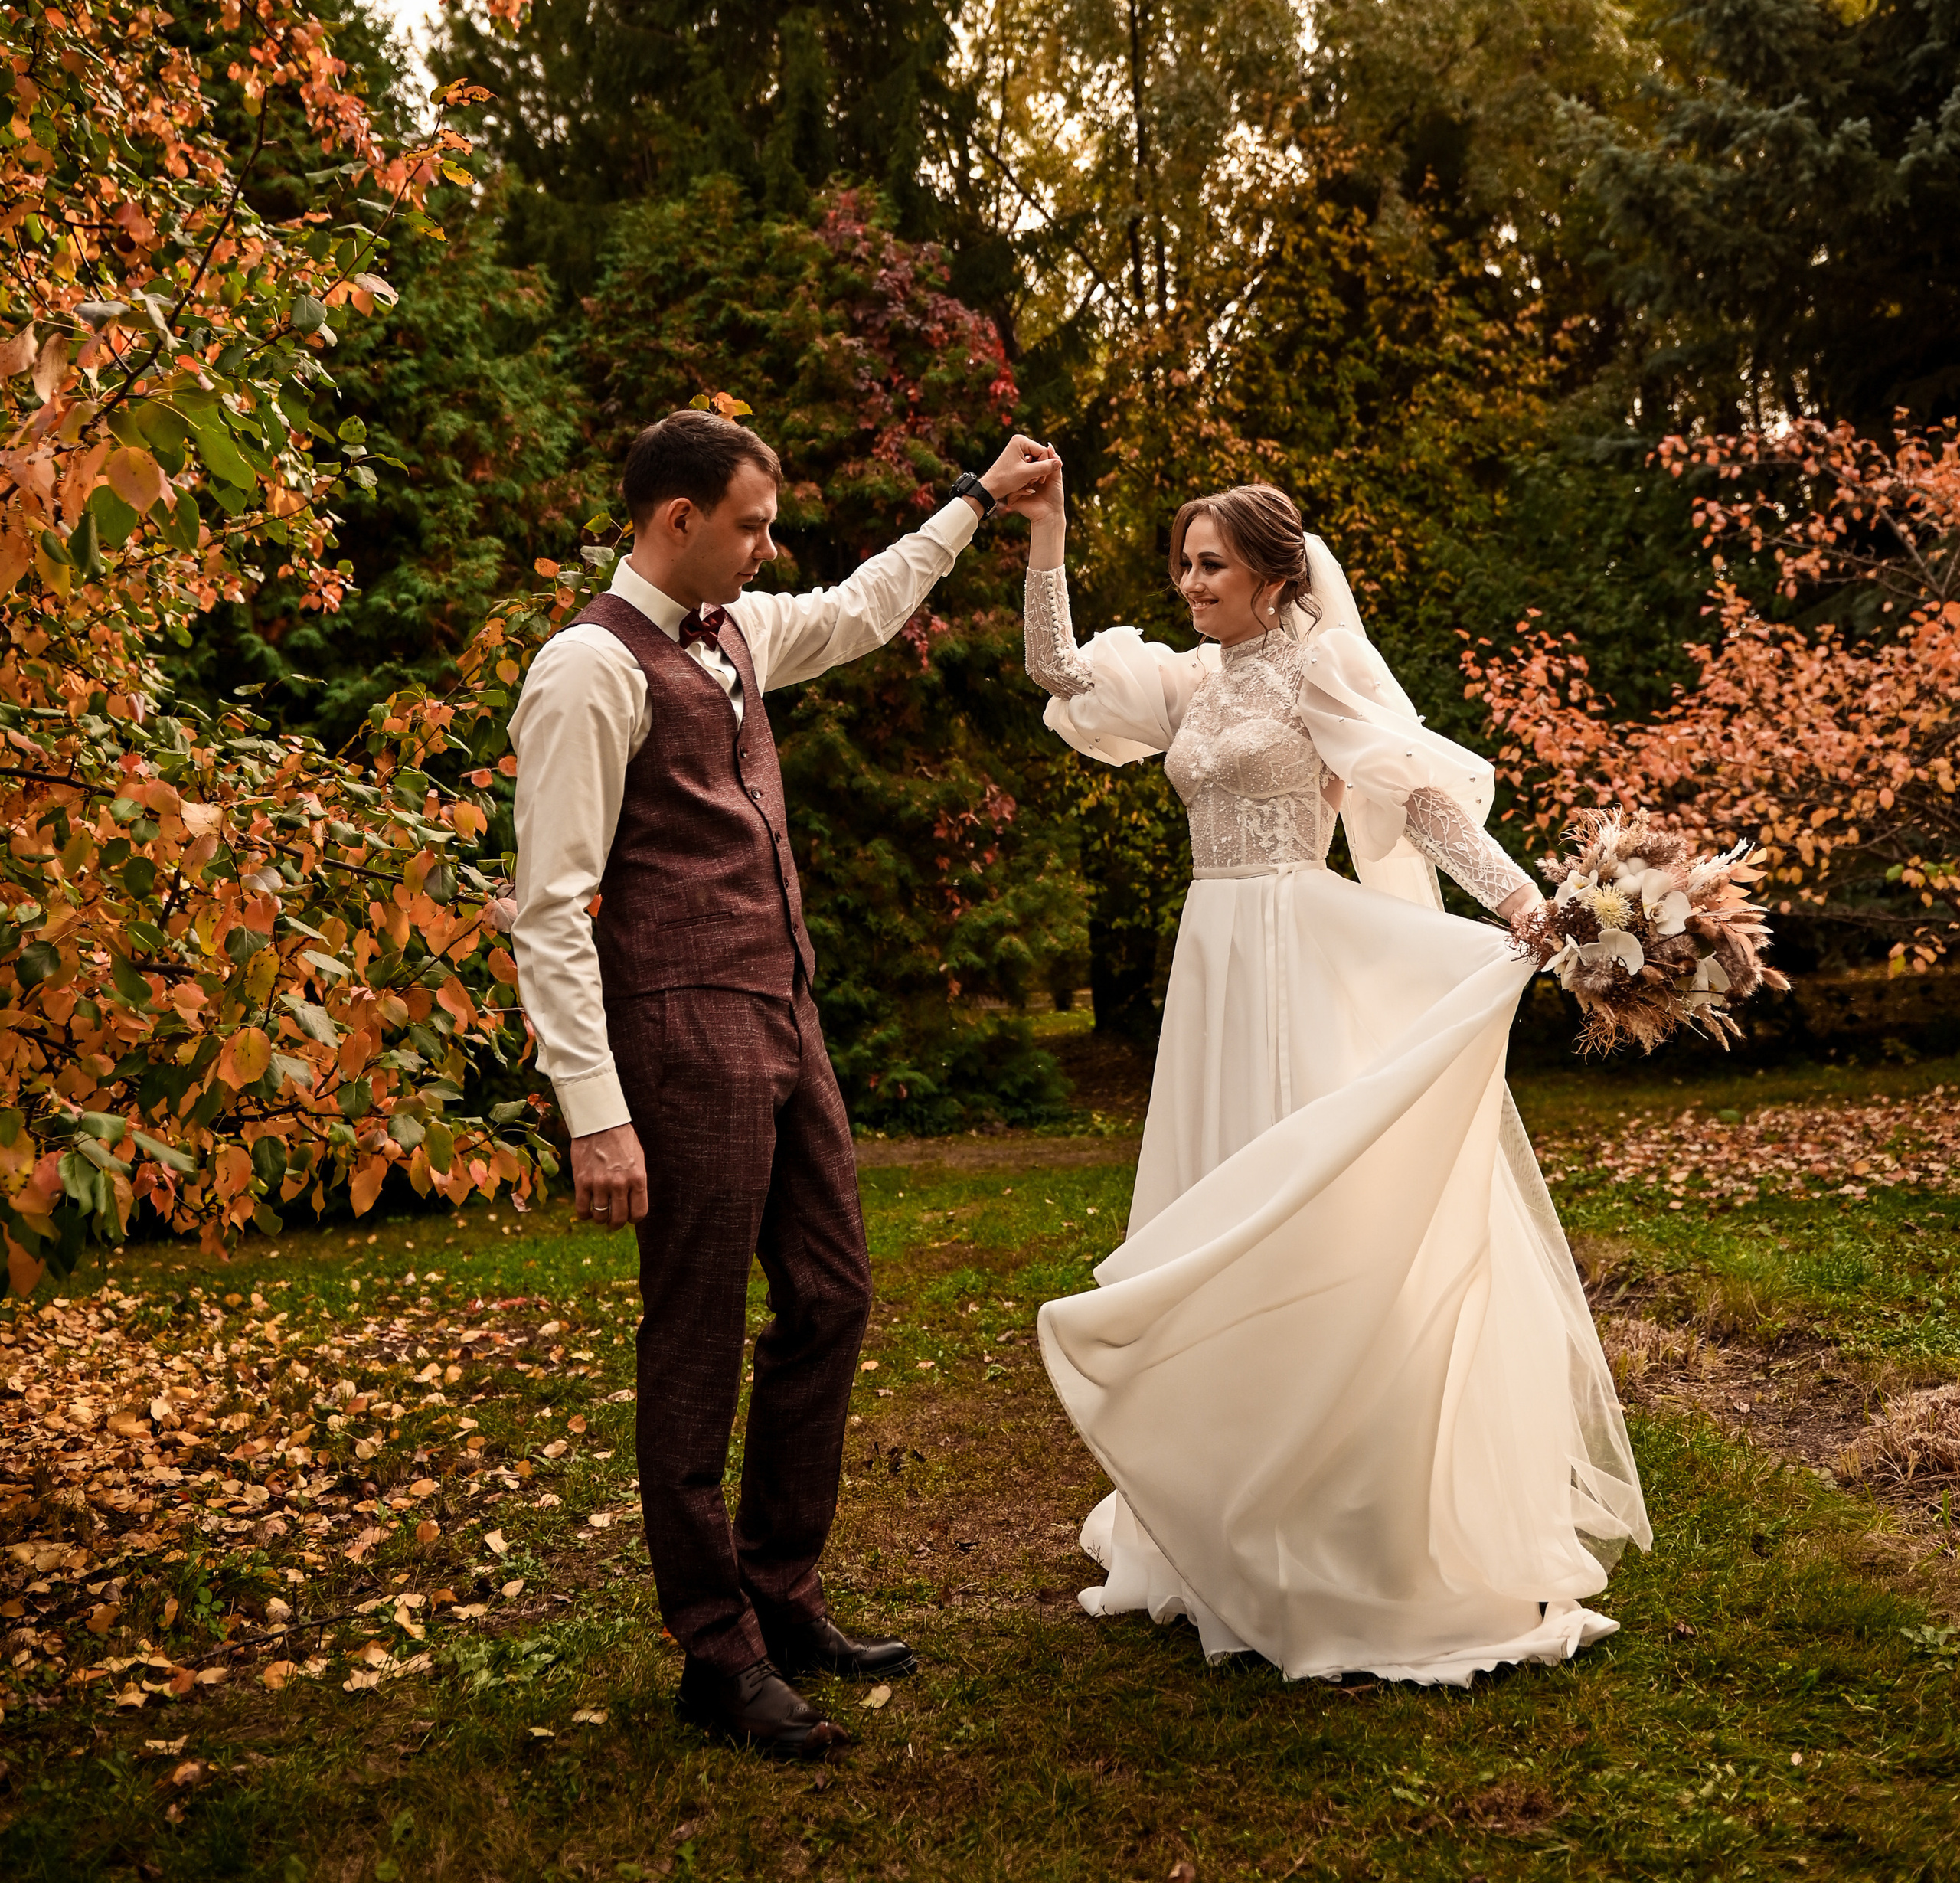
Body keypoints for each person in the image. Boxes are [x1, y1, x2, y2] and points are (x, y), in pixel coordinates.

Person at [1021, 470, 1650, 1685]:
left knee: (1306, 1209)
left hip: (1293, 949)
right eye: (1182, 565)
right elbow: (1057, 668)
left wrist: (1522, 898)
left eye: (1212, 565)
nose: (1191, 585)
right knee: (1218, 1204)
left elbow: (1414, 800)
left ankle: (1336, 1513)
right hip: (1211, 961)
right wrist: (1046, 531)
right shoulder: (1189, 682)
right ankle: (1218, 1501)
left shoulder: (1321, 672)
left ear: (1275, 574)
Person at [510, 408, 1056, 1757]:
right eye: (750, 524)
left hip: (783, 1009)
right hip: (678, 1031)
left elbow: (868, 605)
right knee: (693, 1337)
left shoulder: (741, 634)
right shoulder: (589, 668)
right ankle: (714, 1651)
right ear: (674, 518)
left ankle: (778, 1585)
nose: (770, 546)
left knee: (831, 1291)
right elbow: (548, 908)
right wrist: (597, 1112)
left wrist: (978, 500)